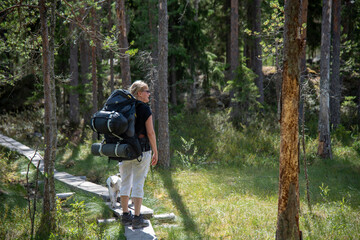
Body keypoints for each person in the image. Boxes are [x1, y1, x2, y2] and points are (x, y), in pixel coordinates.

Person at [120, 80, 158, 229]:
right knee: (138, 183)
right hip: (141, 151)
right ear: (139, 93)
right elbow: (150, 132)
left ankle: (125, 215)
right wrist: (156, 151)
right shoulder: (144, 109)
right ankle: (137, 218)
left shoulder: (124, 107)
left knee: (125, 182)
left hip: (124, 150)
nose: (149, 93)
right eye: (147, 91)